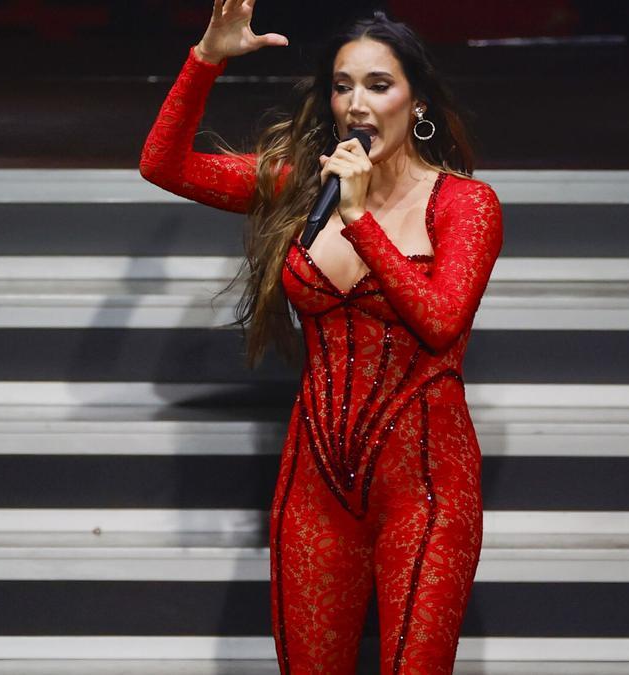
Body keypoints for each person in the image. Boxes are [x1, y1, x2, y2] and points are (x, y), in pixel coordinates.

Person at [139, 2, 503, 673]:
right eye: (343, 86)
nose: (357, 104)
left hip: (426, 489)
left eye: (378, 84)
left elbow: (441, 320)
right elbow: (164, 164)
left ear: (415, 100)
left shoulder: (464, 204)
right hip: (316, 484)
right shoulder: (304, 189)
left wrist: (361, 218)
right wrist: (206, 59)